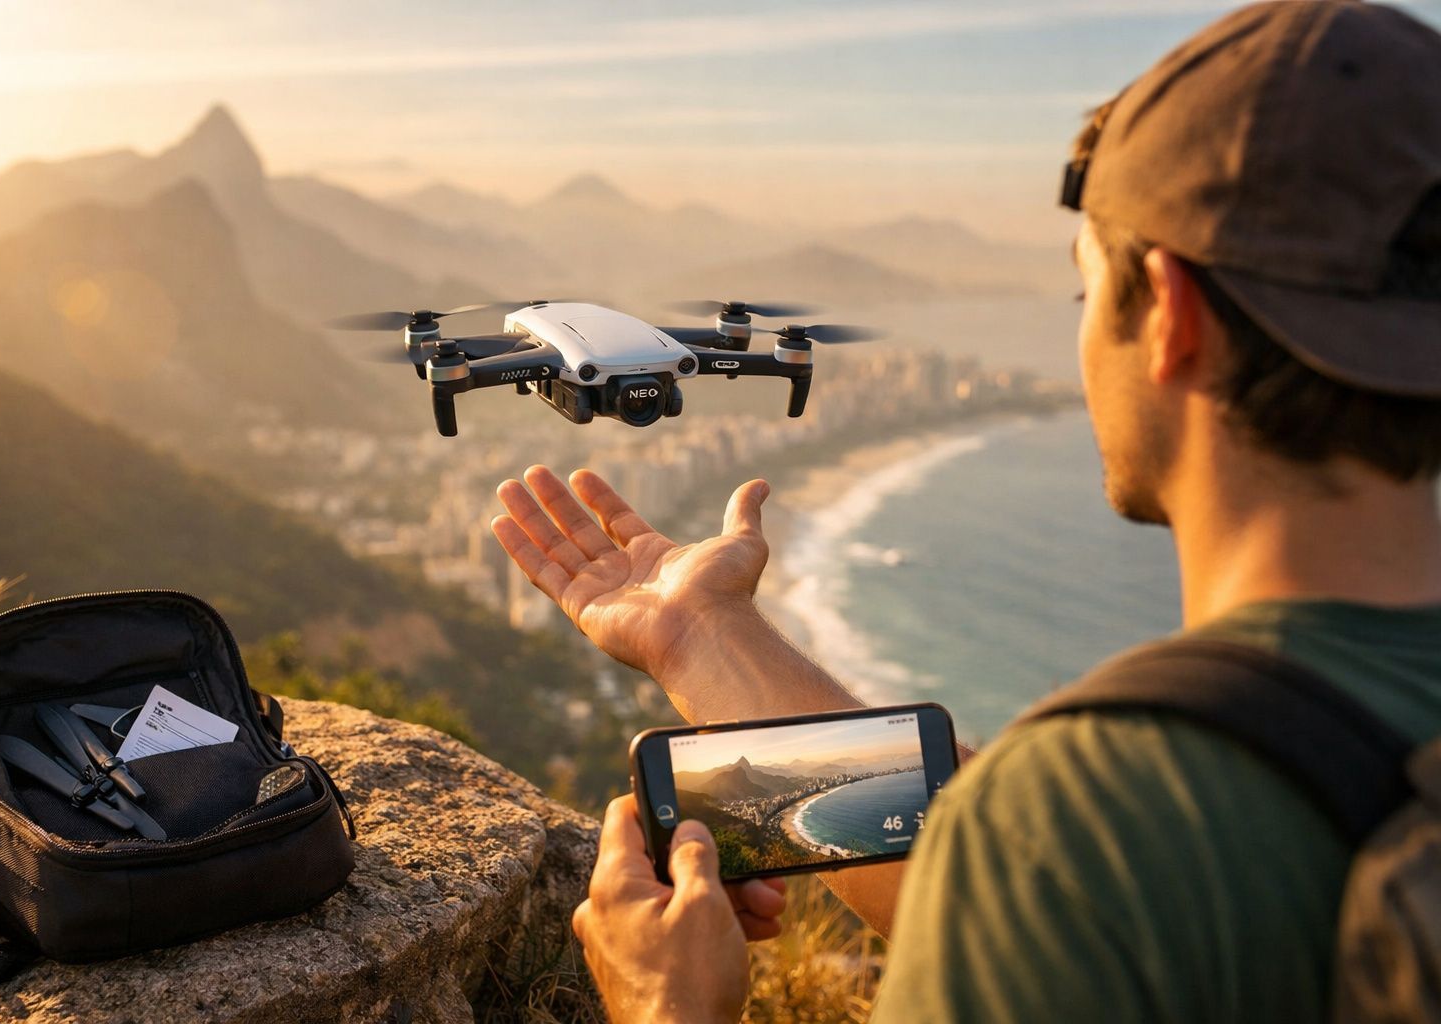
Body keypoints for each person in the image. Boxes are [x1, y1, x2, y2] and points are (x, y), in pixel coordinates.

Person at [490, 2, 1441, 1020]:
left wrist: (666, 1007)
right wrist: (701, 636)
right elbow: (1058, 885)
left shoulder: (1074, 818)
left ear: (1169, 314)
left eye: (1089, 296)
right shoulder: (1078, 832)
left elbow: (1046, 867)